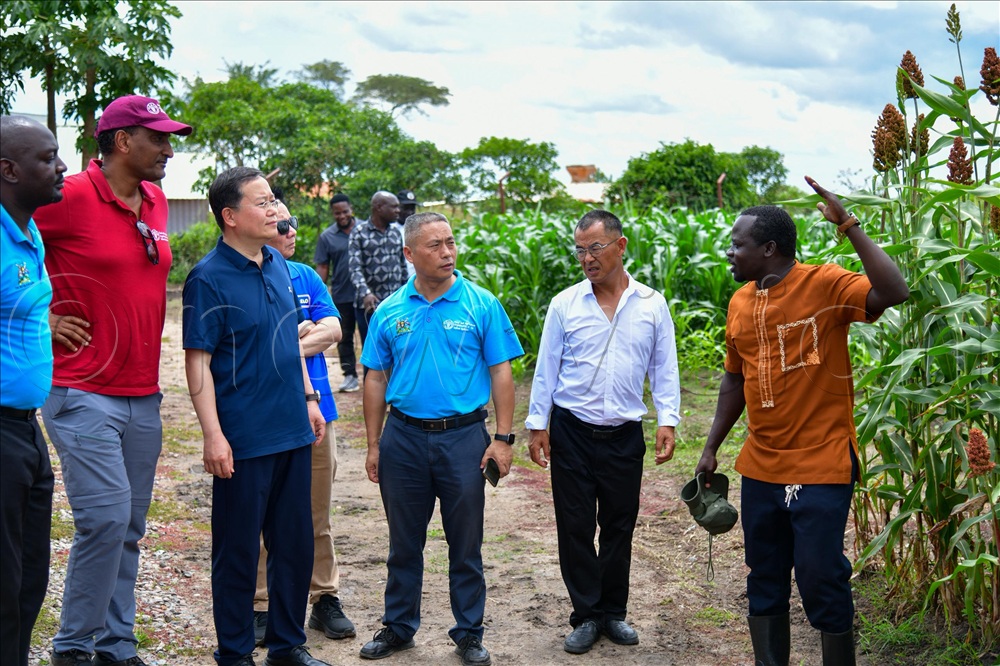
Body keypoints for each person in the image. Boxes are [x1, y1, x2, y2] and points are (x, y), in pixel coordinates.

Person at [695, 177, 909, 666]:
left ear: (769, 248)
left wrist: (848, 225)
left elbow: (893, 291)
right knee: (763, 576)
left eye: (737, 244)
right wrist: (711, 447)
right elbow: (733, 381)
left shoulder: (826, 284)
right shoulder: (741, 302)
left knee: (820, 575)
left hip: (821, 463)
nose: (729, 253)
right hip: (762, 467)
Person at [33, 94, 191, 666]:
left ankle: (115, 645)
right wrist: (40, 316)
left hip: (142, 393)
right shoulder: (68, 196)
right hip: (80, 388)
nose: (169, 150)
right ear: (122, 141)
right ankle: (73, 647)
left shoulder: (152, 198)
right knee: (104, 517)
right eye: (159, 139)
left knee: (128, 524)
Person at [358, 212, 523, 666]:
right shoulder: (390, 310)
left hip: (464, 438)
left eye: (450, 242)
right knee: (403, 542)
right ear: (409, 254)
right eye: (434, 245)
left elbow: (501, 370)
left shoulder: (480, 303)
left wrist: (503, 438)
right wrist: (375, 444)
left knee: (466, 542)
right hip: (404, 438)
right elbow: (374, 378)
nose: (447, 252)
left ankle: (468, 632)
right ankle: (398, 627)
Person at [183, 167, 331, 666]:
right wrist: (213, 436)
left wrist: (310, 398)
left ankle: (288, 647)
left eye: (275, 201)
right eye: (263, 203)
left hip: (292, 427)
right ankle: (235, 653)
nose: (276, 211)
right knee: (239, 553)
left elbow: (288, 342)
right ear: (230, 217)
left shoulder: (276, 265)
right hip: (244, 438)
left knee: (294, 546)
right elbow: (198, 361)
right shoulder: (207, 277)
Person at [525, 209, 681, 655]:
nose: (586, 258)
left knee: (618, 525)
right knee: (574, 527)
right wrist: (539, 424)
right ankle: (587, 615)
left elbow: (664, 366)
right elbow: (546, 368)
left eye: (594, 247)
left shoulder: (651, 304)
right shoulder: (565, 304)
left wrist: (667, 418)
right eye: (580, 250)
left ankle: (613, 611)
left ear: (620, 245)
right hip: (572, 432)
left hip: (625, 435)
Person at [252, 202, 356, 644]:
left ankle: (323, 597)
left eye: (293, 222)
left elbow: (333, 331)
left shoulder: (307, 277)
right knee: (260, 512)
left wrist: (294, 341)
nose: (292, 230)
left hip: (319, 414)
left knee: (317, 510)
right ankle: (260, 603)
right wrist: (296, 335)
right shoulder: (243, 276)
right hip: (262, 412)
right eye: (282, 223)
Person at [0, 115, 66, 666]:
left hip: (25, 427)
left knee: (28, 579)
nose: (61, 166)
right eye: (47, 158)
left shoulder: (27, 230)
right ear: (9, 170)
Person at [347, 190, 407, 360]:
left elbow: (402, 267)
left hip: (397, 306)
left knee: (400, 350)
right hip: (370, 308)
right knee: (374, 357)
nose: (398, 211)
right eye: (394, 207)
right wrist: (366, 293)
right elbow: (354, 268)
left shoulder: (396, 233)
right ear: (379, 208)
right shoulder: (359, 233)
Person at [314, 193, 361, 392]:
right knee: (345, 337)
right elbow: (323, 266)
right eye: (337, 213)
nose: (341, 216)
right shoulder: (327, 237)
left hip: (366, 294)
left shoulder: (365, 229)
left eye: (344, 212)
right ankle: (350, 375)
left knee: (373, 336)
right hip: (342, 294)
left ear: (351, 209)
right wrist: (318, 290)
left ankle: (375, 376)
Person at [394, 189, 417, 279]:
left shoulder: (419, 229)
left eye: (412, 208)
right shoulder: (390, 230)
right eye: (406, 208)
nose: (410, 212)